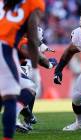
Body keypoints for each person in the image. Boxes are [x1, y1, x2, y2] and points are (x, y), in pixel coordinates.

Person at [0, 0, 45, 139]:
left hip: (7, 50)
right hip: (4, 48)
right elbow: (32, 38)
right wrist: (36, 71)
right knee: (10, 97)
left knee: (26, 88)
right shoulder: (34, 3)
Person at [16, 27, 57, 133]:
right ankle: (24, 117)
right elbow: (40, 58)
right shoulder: (24, 41)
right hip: (9, 70)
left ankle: (27, 117)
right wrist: (50, 64)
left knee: (29, 90)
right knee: (29, 89)